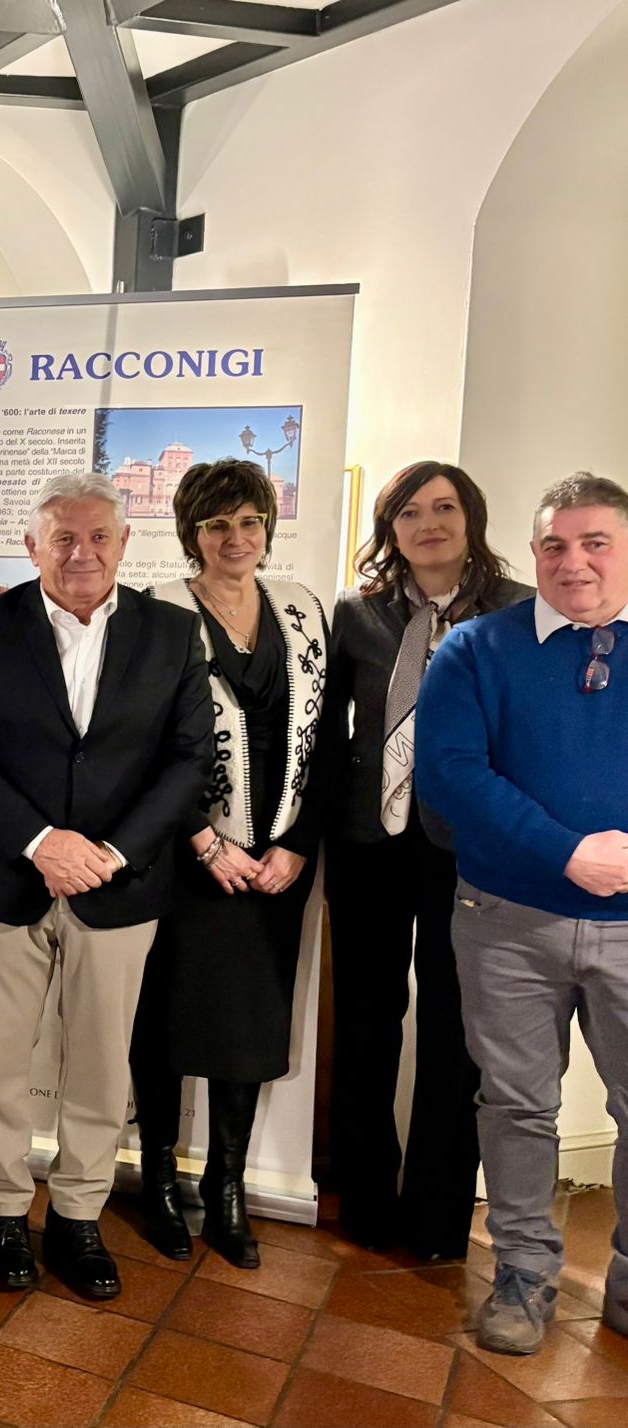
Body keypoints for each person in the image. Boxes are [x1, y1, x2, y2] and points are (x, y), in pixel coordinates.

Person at [0, 472, 211, 1302]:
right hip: (5, 879)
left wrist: (111, 852)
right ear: (32, 546)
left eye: (98, 537)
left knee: (99, 1059)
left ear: (125, 544)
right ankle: (5, 1210)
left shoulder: (172, 632)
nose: (81, 553)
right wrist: (40, 842)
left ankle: (79, 1216)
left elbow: (188, 759)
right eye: (63, 538)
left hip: (120, 885)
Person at [418, 471, 628, 1357]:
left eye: (595, 543)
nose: (573, 562)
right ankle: (523, 1273)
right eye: (554, 545)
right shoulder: (475, 649)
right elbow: (450, 773)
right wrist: (567, 852)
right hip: (505, 919)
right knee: (515, 1105)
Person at [131, 460, 341, 1270]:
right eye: (217, 524)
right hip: (185, 861)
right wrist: (203, 840)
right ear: (191, 533)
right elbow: (138, 747)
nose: (235, 538)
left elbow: (329, 744)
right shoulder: (157, 613)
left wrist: (297, 845)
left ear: (268, 529)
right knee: (163, 1023)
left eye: (250, 522)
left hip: (276, 867)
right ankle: (157, 1181)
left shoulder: (302, 609)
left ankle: (226, 1187)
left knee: (250, 1028)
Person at [326, 461, 528, 1260]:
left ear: (471, 519)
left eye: (444, 508)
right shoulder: (359, 613)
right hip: (368, 843)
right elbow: (330, 730)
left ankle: (439, 1215)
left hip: (470, 849)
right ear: (391, 530)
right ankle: (365, 1200)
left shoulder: (518, 613)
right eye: (409, 512)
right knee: (366, 1020)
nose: (428, 524)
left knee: (457, 1027)